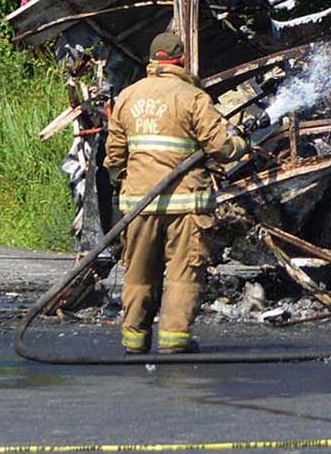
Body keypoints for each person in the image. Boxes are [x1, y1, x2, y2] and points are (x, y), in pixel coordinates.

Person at [104, 30, 246, 355]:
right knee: (184, 272)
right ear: (181, 60)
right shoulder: (192, 96)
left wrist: (124, 183)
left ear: (153, 60)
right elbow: (221, 146)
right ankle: (174, 340)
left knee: (139, 271)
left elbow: (114, 155)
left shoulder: (128, 96)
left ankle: (134, 339)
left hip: (139, 203)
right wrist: (242, 144)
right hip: (186, 204)